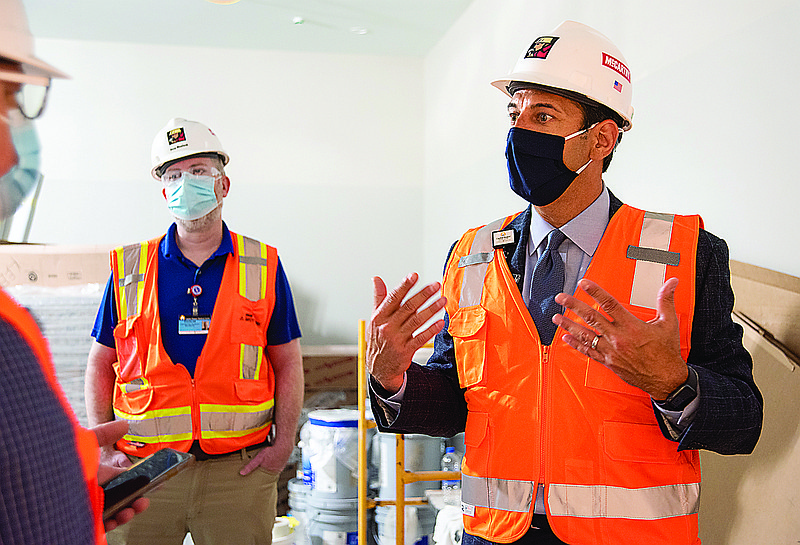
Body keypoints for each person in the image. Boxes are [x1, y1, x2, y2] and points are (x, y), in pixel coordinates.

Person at [366, 20, 763, 545]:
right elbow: (460, 401)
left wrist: (673, 383)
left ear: (601, 138)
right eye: (514, 113)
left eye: (543, 116)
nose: (519, 132)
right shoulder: (471, 256)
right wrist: (393, 381)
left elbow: (744, 420)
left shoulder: (688, 254)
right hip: (495, 535)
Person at [85, 117, 304, 545]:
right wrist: (104, 446)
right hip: (144, 473)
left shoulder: (263, 265)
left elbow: (288, 363)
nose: (187, 183)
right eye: (174, 175)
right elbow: (100, 364)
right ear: (164, 190)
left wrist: (283, 447)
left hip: (237, 474)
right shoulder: (130, 268)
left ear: (224, 185)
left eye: (200, 171)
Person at [0, 0, 148, 542]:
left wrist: (76, 486)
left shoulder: (12, 319)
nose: (16, 154)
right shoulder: (134, 269)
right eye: (9, 100)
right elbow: (100, 359)